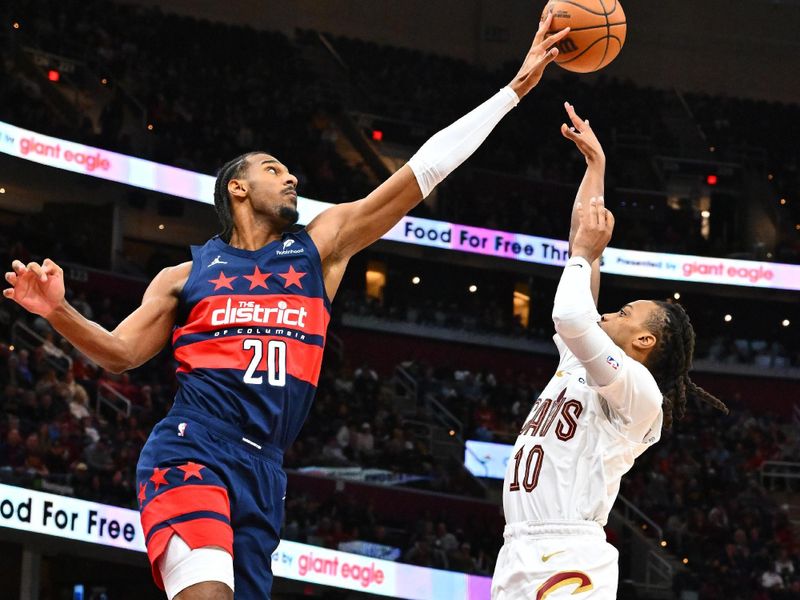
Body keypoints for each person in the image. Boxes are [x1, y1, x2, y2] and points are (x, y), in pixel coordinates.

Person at [3, 16, 570, 600]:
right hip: (191, 447)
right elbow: (121, 354)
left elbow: (419, 173)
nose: (292, 176)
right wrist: (58, 311)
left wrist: (515, 90)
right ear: (237, 189)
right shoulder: (184, 276)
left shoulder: (319, 249)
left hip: (266, 471)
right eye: (273, 169)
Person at [491, 104, 729, 599]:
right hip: (519, 549)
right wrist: (595, 168)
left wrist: (581, 256)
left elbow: (572, 311)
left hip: (569, 556)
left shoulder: (639, 392)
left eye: (624, 313)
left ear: (645, 341)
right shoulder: (581, 362)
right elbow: (586, 242)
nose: (610, 313)